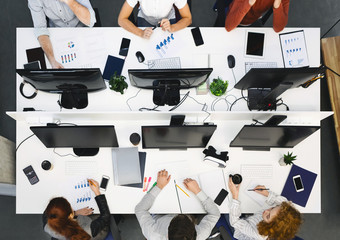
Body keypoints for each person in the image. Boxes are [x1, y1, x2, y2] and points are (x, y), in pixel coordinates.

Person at [135, 169, 220, 240]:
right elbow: (215, 214)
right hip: (188, 210)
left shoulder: (153, 234)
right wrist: (197, 190)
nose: (178, 214)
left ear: (168, 236)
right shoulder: (201, 235)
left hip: (160, 213)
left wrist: (159, 186)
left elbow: (140, 209)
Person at [228, 176, 302, 240]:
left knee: (226, 207)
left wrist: (235, 195)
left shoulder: (259, 233)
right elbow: (284, 202)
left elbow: (235, 222)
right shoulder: (276, 215)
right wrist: (267, 193)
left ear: (268, 226)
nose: (266, 211)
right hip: (250, 218)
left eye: (268, 216)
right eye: (272, 208)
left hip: (239, 229)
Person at [28, 0, 96, 68]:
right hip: (58, 34)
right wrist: (52, 61)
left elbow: (90, 20)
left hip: (82, 30)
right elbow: (41, 29)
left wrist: (68, 1)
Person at [43, 179, 111, 240]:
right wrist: (97, 192)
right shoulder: (88, 230)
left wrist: (76, 213)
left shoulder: (47, 225)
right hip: (93, 235)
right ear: (70, 215)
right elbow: (105, 216)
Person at [118, 0, 192, 39]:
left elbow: (188, 18)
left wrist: (172, 27)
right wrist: (140, 33)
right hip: (145, 19)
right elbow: (121, 19)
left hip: (168, 20)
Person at [225, 0, 289, 33]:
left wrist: (277, 6)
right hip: (235, 17)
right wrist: (249, 2)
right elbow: (229, 26)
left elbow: (278, 28)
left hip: (253, 20)